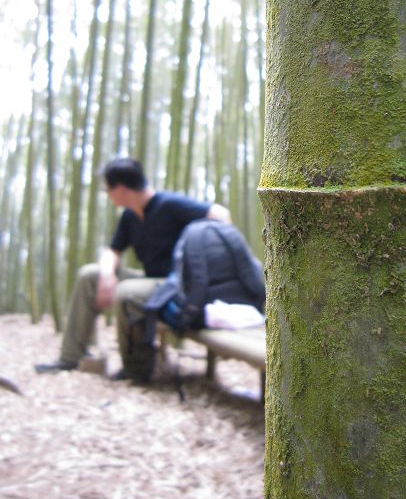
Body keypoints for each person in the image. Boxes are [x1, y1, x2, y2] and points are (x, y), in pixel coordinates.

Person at [35, 157, 231, 376]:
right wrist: (107, 275)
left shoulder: (169, 204)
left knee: (127, 292)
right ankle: (70, 357)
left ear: (120, 189)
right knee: (90, 275)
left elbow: (220, 214)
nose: (108, 195)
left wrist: (212, 256)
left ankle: (136, 367)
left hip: (178, 285)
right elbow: (113, 250)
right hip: (152, 280)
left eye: (107, 189)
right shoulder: (130, 216)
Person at [121, 219, 266, 381]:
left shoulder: (191, 234)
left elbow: (180, 283)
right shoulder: (229, 233)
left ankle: (138, 371)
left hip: (202, 313)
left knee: (133, 294)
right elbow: (254, 276)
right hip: (247, 311)